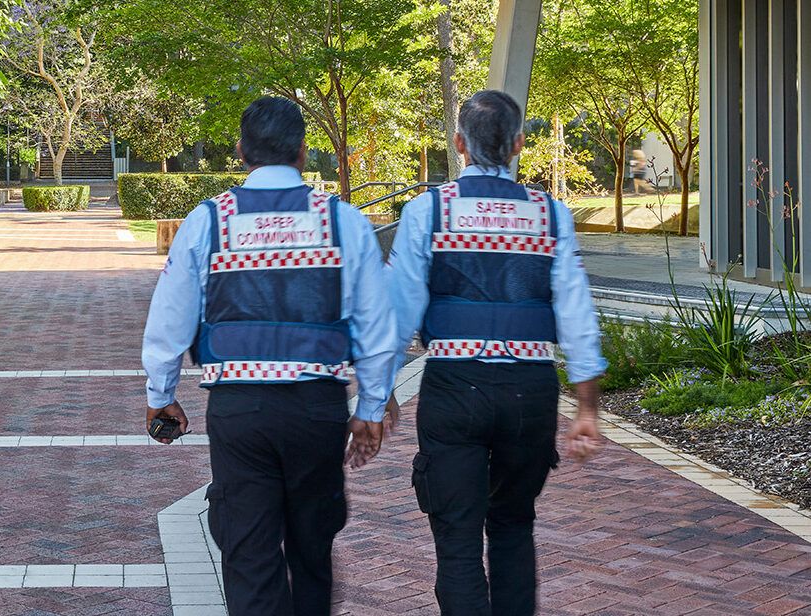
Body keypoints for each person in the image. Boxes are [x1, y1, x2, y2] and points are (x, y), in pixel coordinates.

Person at [142, 96, 398, 616]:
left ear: (240, 151)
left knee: (249, 553)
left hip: (240, 413)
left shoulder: (208, 222)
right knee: (311, 551)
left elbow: (169, 319)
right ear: (304, 153)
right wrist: (370, 408)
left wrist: (160, 395)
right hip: (316, 408)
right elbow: (376, 326)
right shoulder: (343, 222)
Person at [383, 90, 607, 616]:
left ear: (459, 144)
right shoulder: (550, 214)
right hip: (529, 392)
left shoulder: (429, 211)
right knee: (513, 525)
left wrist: (379, 393)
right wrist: (587, 409)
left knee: (457, 538)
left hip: (455, 388)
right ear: (518, 146)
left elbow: (399, 310)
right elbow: (575, 312)